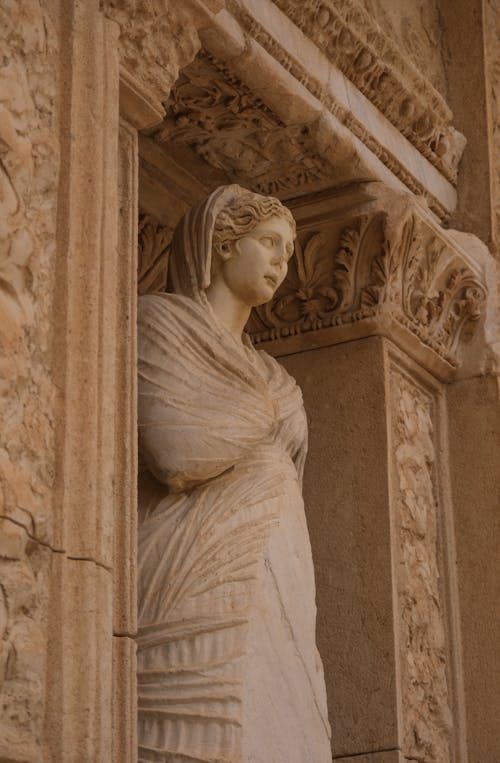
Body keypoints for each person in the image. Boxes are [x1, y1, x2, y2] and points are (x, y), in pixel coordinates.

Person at [137, 184, 331, 763]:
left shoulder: (273, 374)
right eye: (269, 243)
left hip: (277, 583)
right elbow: (176, 451)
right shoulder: (158, 323)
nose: (281, 262)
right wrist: (268, 414)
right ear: (223, 244)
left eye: (290, 251)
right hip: (182, 570)